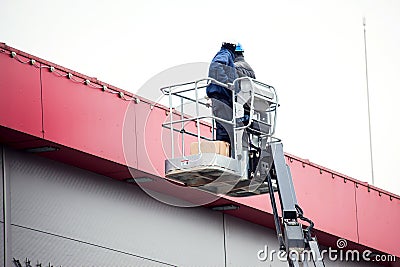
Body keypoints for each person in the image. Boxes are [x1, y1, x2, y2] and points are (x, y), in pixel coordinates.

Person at [206, 42, 238, 145]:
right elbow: (216, 66)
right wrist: (227, 83)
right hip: (221, 96)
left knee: (225, 129)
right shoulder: (225, 54)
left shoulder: (226, 54)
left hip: (222, 97)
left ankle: (224, 149)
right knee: (224, 130)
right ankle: (224, 150)